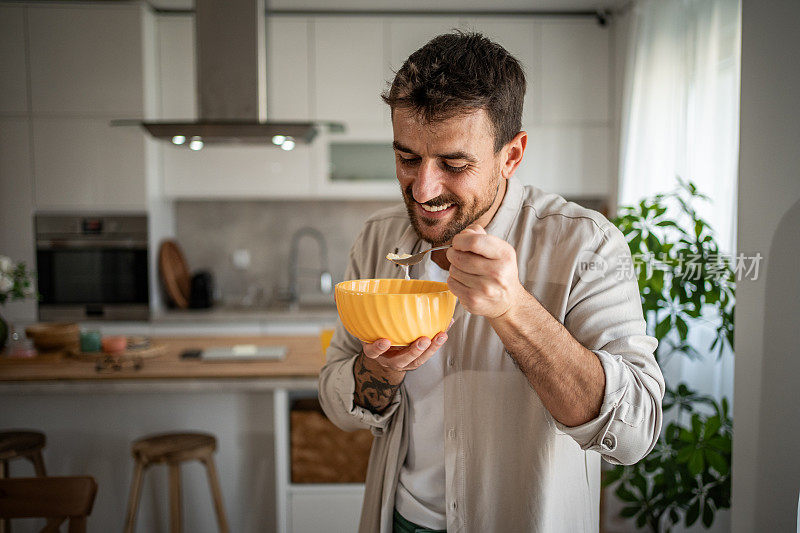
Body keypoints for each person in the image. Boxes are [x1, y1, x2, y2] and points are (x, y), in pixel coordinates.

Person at [318, 31, 664, 533]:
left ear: (512, 155)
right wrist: (381, 377)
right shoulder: (378, 241)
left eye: (454, 165)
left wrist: (515, 309)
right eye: (407, 158)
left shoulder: (587, 246)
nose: (424, 188)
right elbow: (335, 397)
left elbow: (634, 433)